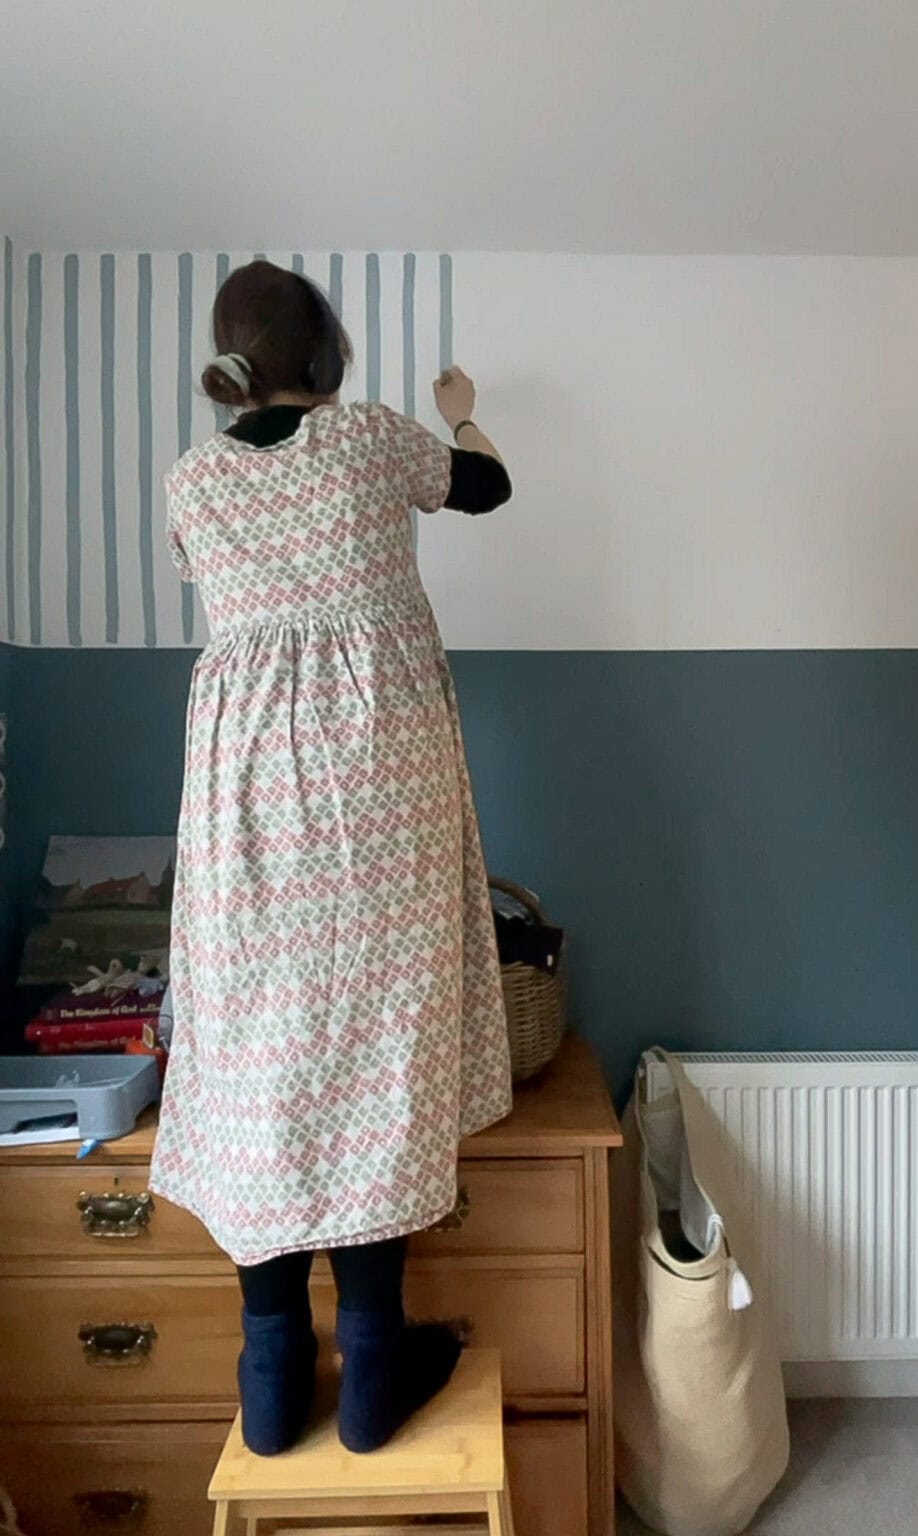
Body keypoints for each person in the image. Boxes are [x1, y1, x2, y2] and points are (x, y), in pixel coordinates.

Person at [149, 260, 514, 1457]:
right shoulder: (370, 441)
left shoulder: (192, 481)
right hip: (378, 783)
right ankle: (370, 1362)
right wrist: (460, 407)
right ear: (331, 355)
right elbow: (490, 489)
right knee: (377, 1046)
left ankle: (270, 1367)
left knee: (259, 1048)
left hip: (245, 799)